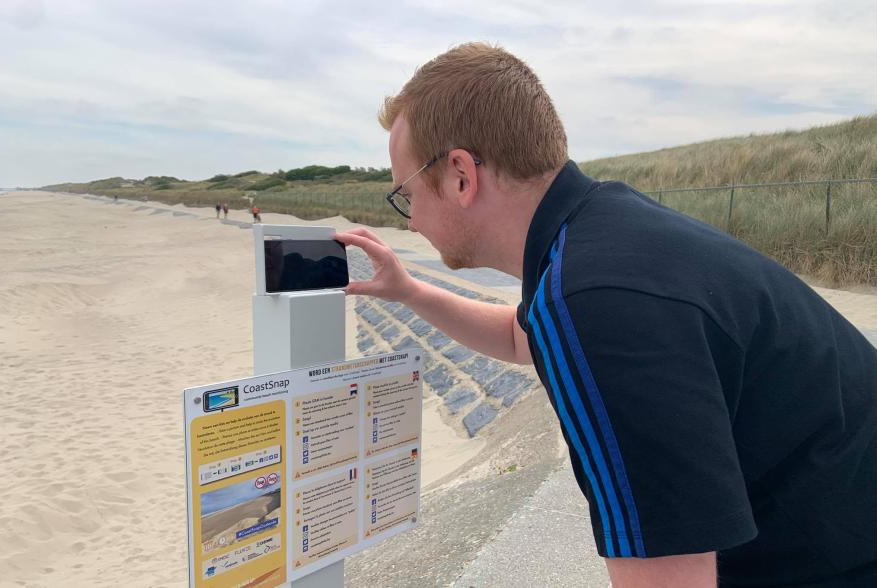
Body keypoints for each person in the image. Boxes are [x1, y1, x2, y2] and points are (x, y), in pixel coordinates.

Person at [335, 43, 877, 587]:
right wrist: (408, 291)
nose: (410, 222)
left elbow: (670, 579)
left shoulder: (596, 305)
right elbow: (522, 338)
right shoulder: (603, 232)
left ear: (459, 176)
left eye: (405, 194)